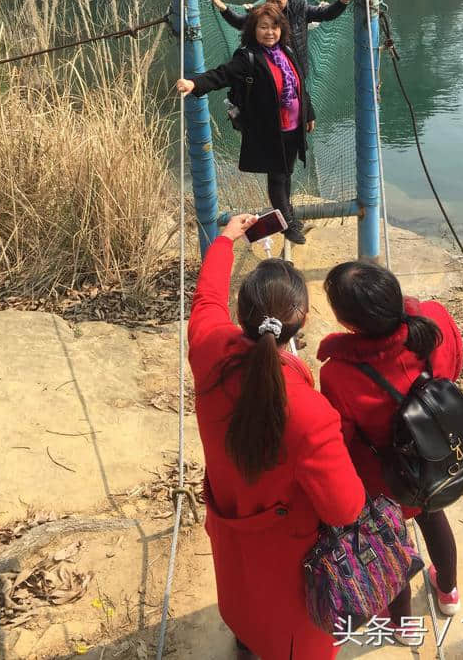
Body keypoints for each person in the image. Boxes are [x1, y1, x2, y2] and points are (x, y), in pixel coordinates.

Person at [188, 214, 365, 658]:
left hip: (230, 526)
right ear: (300, 321)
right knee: (290, 634)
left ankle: (245, 638)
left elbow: (206, 297)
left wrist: (227, 239)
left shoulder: (209, 348)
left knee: (243, 602)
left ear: (242, 313)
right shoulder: (310, 412)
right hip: (291, 557)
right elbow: (345, 507)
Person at [317, 261, 463, 637]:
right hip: (436, 460)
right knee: (434, 518)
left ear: (350, 324)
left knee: (391, 545)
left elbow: (342, 438)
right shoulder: (435, 320)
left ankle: (402, 623)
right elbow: (456, 367)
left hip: (388, 480)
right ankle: (448, 592)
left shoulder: (338, 372)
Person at [177, 4, 315, 244]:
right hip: (270, 130)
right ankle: (288, 225)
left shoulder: (286, 51)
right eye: (263, 27)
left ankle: (288, 215)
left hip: (293, 127)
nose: (270, 32)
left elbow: (299, 85)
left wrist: (309, 114)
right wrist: (194, 84)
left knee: (286, 173)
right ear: (253, 29)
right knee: (277, 177)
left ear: (281, 29)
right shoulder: (248, 57)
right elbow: (222, 75)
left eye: (274, 27)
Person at [208, 0, 354, 80]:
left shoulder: (300, 8)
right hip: (270, 73)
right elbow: (240, 23)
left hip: (296, 70)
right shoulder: (261, 13)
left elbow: (325, 14)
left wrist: (344, 0)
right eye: (270, 0)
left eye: (278, 0)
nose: (274, 5)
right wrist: (224, 9)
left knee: (300, 109)